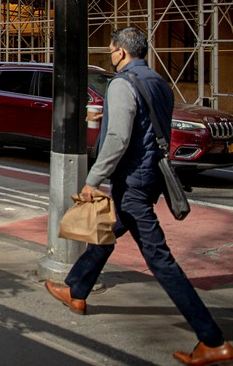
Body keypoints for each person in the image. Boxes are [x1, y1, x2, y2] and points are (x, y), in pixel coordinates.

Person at [44, 27, 231, 365]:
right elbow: (148, 128)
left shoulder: (122, 83)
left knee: (160, 260)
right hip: (149, 175)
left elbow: (118, 137)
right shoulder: (159, 82)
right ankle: (76, 290)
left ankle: (212, 338)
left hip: (131, 180)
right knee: (108, 233)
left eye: (113, 50)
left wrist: (94, 180)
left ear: (121, 52)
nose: (112, 55)